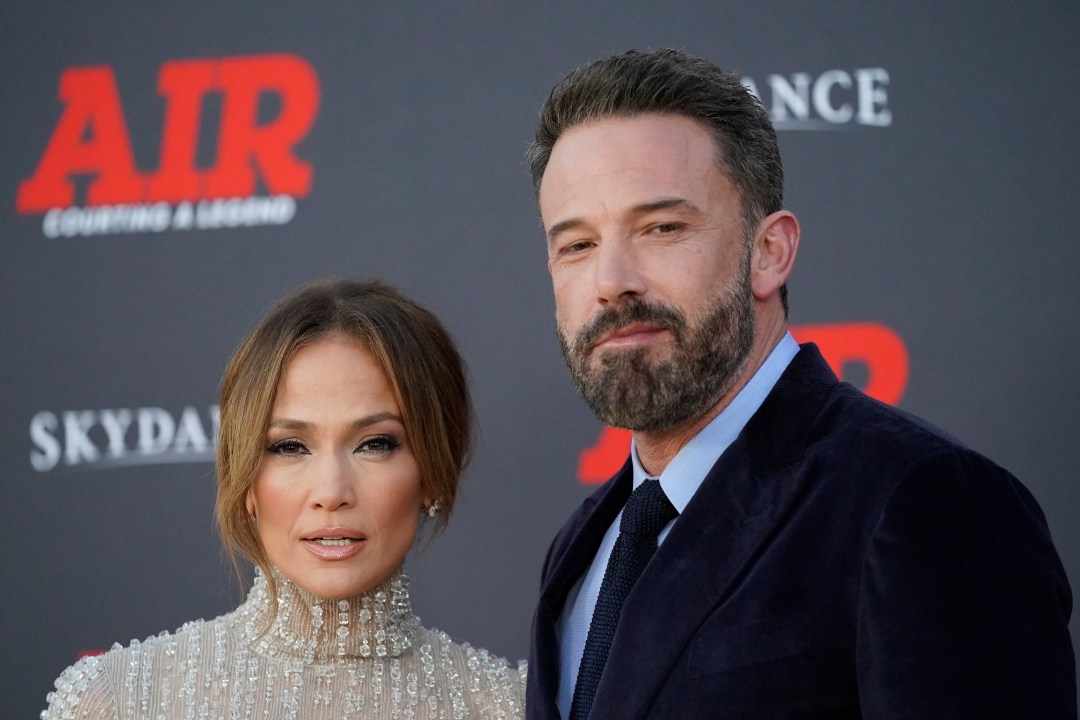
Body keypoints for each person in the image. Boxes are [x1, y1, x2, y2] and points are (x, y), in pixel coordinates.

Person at [524, 48, 1075, 719]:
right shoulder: (584, 548)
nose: (611, 281)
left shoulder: (920, 503)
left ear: (770, 253)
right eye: (576, 244)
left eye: (661, 227)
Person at [42, 278, 525, 720]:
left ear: (434, 472)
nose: (331, 493)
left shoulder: (510, 706)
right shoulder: (118, 699)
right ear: (246, 479)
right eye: (289, 447)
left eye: (375, 443)